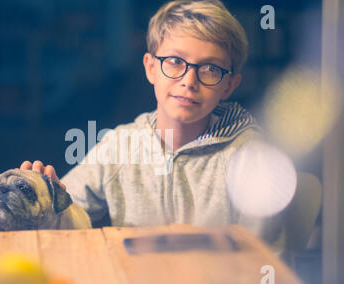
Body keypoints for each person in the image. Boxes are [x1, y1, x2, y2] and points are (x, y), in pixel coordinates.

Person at [20, 0, 284, 252]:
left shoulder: (252, 157)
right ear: (150, 68)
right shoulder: (119, 146)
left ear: (229, 85)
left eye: (210, 69)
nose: (189, 81)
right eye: (176, 61)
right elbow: (66, 221)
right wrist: (48, 201)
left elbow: (264, 260)